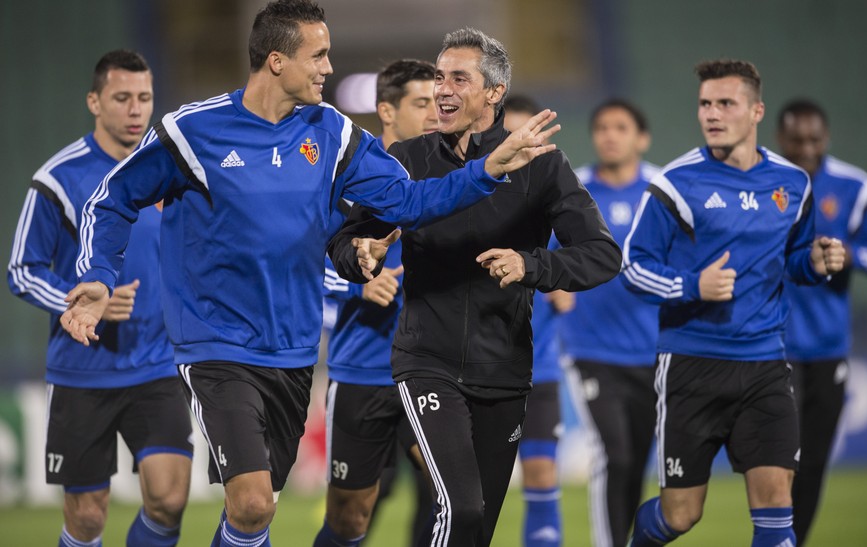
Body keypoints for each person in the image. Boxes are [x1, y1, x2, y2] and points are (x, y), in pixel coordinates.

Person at [59, 3, 559, 546]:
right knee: (251, 504)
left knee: (256, 512)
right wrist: (97, 277)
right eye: (317, 55)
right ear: (277, 61)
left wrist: (484, 170)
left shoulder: (332, 133)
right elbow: (112, 200)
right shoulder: (191, 132)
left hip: (294, 353)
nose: (327, 67)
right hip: (216, 345)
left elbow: (410, 201)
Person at [329, 29, 621, 546]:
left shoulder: (542, 165)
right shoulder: (408, 160)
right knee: (459, 510)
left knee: (477, 526)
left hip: (505, 370)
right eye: (439, 76)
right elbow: (346, 240)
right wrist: (360, 255)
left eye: (458, 78)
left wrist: (532, 266)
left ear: (494, 92)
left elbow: (602, 255)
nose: (443, 89)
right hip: (426, 362)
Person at [622, 59, 845, 547]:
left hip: (766, 364)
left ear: (756, 110)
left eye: (726, 103)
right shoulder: (676, 182)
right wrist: (691, 286)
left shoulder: (792, 183)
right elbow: (632, 267)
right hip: (691, 365)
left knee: (776, 514)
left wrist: (817, 262)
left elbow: (792, 263)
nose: (712, 113)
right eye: (705, 103)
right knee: (681, 516)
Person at [7, 50, 193, 547]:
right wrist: (77, 302)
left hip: (157, 365)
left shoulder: (170, 171)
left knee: (170, 499)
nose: (136, 110)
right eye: (122, 98)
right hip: (82, 371)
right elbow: (21, 271)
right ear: (95, 101)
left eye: (145, 98)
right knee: (88, 518)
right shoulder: (58, 178)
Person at [316, 58, 438, 547]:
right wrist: (357, 281)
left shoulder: (448, 182)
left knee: (454, 499)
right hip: (362, 369)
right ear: (386, 110)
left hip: (432, 370)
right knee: (350, 517)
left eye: (440, 103)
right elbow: (303, 262)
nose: (435, 113)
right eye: (422, 103)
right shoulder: (345, 184)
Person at [562, 99, 660, 547]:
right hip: (590, 350)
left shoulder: (664, 191)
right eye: (601, 127)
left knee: (637, 460)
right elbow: (542, 252)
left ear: (642, 138)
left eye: (620, 127)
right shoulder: (573, 190)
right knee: (614, 455)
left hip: (655, 352)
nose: (609, 135)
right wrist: (552, 281)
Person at [776, 99, 867, 546]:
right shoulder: (762, 184)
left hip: (829, 346)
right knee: (781, 461)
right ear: (781, 139)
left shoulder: (854, 186)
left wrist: (853, 255)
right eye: (797, 140)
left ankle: (794, 541)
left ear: (826, 139)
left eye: (814, 140)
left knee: (814, 462)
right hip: (774, 346)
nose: (806, 149)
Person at [503, 94, 575, 547]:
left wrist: (562, 276)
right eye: (510, 131)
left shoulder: (555, 198)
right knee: (465, 492)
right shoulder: (471, 190)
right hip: (474, 369)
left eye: (529, 132)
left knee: (542, 471)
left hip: (538, 368)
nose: (521, 141)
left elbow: (584, 255)